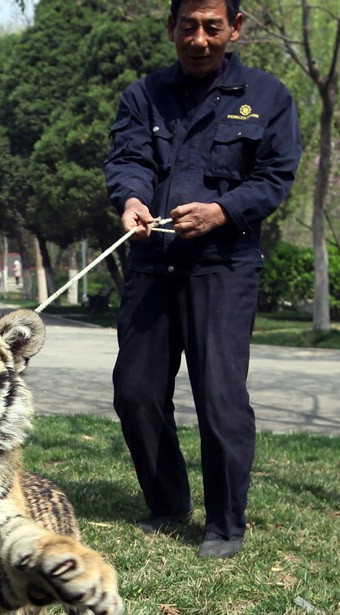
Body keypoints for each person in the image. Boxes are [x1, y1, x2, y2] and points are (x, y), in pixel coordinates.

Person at [104, 0, 301, 558]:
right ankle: (168, 502)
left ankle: (224, 524)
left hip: (224, 267)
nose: (198, 39)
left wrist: (222, 211)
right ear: (171, 28)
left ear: (234, 28)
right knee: (136, 393)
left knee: (219, 398)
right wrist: (132, 199)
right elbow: (128, 160)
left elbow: (274, 177)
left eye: (212, 27)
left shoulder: (267, 97)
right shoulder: (144, 95)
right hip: (151, 263)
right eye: (187, 26)